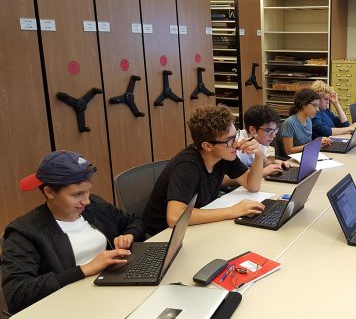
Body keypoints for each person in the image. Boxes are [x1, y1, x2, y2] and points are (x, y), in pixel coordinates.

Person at [2, 151, 144, 313]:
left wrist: (129, 235)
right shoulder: (23, 233)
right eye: (77, 195)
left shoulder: (94, 206)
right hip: (69, 307)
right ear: (49, 192)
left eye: (87, 191)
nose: (86, 200)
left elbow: (134, 222)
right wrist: (85, 269)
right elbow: (17, 294)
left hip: (112, 291)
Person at [142, 104, 266, 236]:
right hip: (162, 235)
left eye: (235, 136)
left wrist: (258, 155)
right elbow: (175, 217)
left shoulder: (224, 154)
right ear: (207, 146)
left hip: (193, 227)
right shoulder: (187, 165)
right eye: (230, 140)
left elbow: (252, 185)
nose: (236, 144)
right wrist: (232, 211)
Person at [234, 105, 291, 177]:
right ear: (252, 129)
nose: (273, 136)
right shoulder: (236, 147)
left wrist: (274, 163)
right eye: (269, 130)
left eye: (275, 130)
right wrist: (260, 173)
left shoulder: (259, 141)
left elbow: (264, 162)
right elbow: (224, 179)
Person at [280, 88, 332, 155]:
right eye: (314, 105)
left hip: (306, 156)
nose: (317, 110)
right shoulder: (289, 123)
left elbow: (307, 145)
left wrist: (319, 141)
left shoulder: (308, 120)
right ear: (303, 104)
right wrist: (314, 143)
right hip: (293, 161)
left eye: (318, 106)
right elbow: (289, 151)